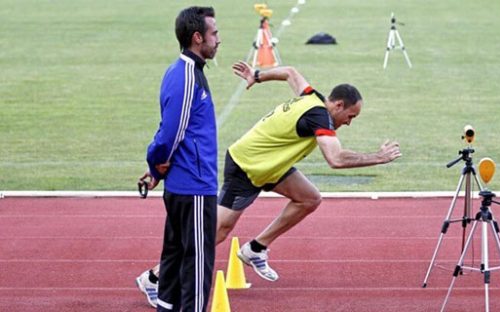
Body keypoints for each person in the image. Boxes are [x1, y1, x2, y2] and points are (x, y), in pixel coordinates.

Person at [136, 60, 401, 306]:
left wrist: (257, 75)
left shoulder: (311, 97)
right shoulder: (319, 116)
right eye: (351, 116)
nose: (349, 123)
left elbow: (291, 73)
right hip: (246, 165)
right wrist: (377, 157)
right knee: (215, 232)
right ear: (339, 105)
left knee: (309, 198)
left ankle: (255, 248)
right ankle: (154, 278)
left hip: (271, 167)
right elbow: (336, 158)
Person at [134, 6, 220, 311]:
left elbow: (171, 128)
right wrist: (153, 163)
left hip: (184, 185)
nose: (218, 39)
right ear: (197, 37)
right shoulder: (185, 76)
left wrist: (156, 171)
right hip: (194, 187)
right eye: (214, 33)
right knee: (196, 270)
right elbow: (171, 132)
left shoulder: (187, 71)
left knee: (172, 264)